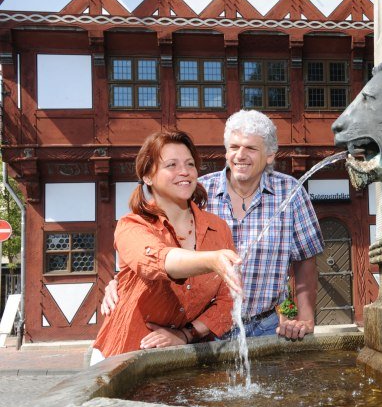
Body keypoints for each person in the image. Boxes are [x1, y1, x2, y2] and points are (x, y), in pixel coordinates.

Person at [102, 110, 324, 340]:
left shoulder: (290, 192)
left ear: (269, 155)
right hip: (203, 330)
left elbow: (306, 258)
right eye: (234, 147)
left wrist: (305, 319)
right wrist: (123, 281)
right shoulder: (195, 191)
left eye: (250, 148)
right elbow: (154, 241)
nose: (240, 155)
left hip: (264, 324)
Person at [92, 130, 242, 363]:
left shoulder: (218, 229)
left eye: (190, 164)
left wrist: (186, 334)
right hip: (122, 355)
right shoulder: (132, 225)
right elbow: (156, 261)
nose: (184, 171)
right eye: (171, 165)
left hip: (180, 357)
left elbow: (229, 301)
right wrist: (211, 260)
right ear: (148, 176)